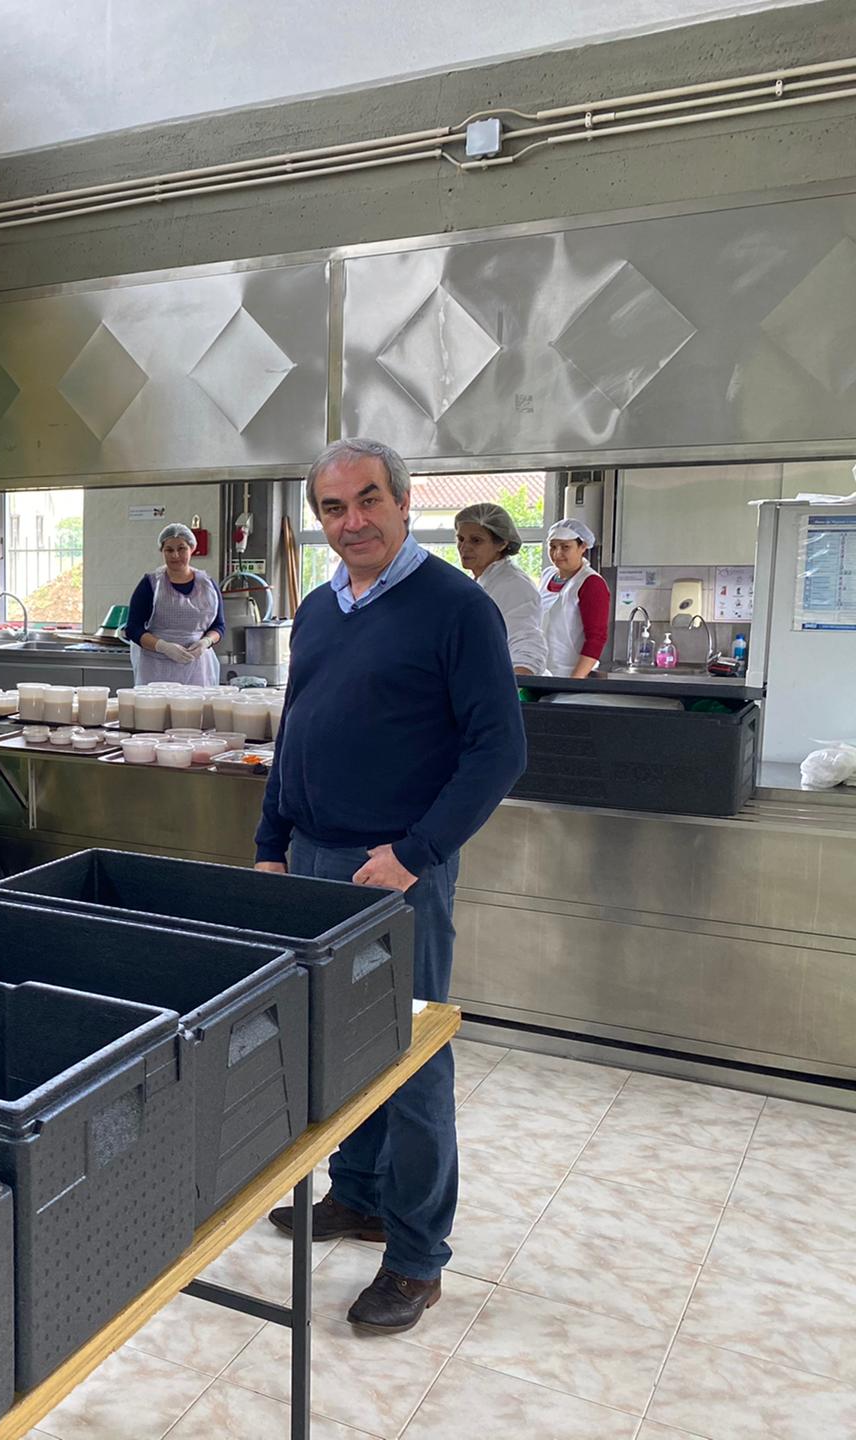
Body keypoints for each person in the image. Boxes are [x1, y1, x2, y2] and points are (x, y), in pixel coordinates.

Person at [257, 438, 525, 1335]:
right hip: (314, 860)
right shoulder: (320, 606)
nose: (353, 521)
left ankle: (415, 1258)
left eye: (369, 500)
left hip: (397, 872)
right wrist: (271, 843)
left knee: (410, 1059)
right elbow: (295, 730)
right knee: (340, 1046)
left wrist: (416, 853)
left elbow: (499, 750)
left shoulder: (456, 607)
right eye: (333, 508)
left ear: (405, 503)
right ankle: (361, 1194)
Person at [454, 502, 546, 676]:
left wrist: (512, 687)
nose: (464, 547)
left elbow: (526, 646)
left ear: (502, 543)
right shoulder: (481, 581)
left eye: (476, 540)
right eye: (461, 539)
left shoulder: (514, 585)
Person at [126, 523, 224, 685]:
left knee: (196, 702)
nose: (175, 555)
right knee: (158, 702)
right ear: (162, 551)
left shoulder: (207, 585)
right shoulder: (151, 584)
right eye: (169, 550)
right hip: (156, 667)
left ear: (192, 549)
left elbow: (219, 626)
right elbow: (133, 628)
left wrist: (206, 642)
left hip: (198, 667)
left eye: (181, 549)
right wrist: (163, 646)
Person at [539, 518, 611, 680]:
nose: (557, 554)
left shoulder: (591, 583)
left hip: (570, 674)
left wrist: (574, 681)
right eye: (552, 546)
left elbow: (596, 638)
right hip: (542, 671)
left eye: (565, 547)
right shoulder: (547, 575)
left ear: (582, 546)